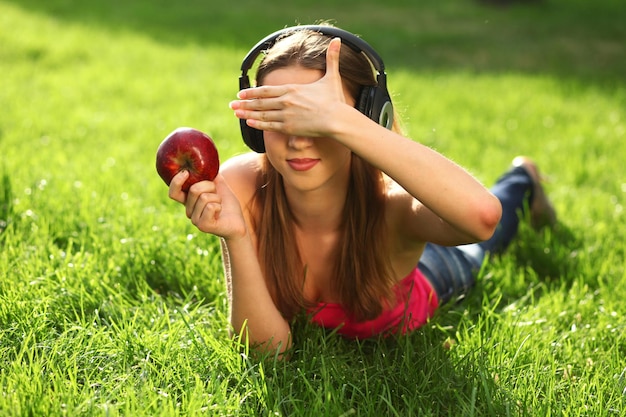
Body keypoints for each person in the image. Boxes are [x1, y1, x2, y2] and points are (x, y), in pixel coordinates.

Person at [167, 24, 556, 354]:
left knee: (480, 248)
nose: (298, 139)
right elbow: (268, 352)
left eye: (315, 119)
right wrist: (234, 237)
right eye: (281, 114)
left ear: (366, 119)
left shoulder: (391, 204)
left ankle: (524, 179)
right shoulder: (242, 186)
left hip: (428, 274)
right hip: (418, 209)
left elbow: (482, 218)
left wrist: (340, 120)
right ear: (254, 127)